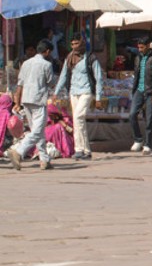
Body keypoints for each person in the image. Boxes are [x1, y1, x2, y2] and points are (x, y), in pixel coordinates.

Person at [8, 38, 57, 171]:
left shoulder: (26, 63)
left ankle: (44, 159)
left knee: (38, 130)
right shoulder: (46, 65)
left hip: (26, 100)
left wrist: (18, 102)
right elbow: (51, 82)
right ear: (47, 52)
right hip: (38, 100)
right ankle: (19, 151)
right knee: (37, 130)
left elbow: (20, 84)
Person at [54, 34, 104, 161]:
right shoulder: (69, 58)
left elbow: (98, 78)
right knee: (78, 121)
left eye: (77, 44)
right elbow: (63, 76)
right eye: (72, 44)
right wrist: (56, 92)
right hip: (73, 91)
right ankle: (86, 151)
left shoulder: (91, 58)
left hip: (86, 91)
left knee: (78, 117)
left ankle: (79, 149)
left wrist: (98, 97)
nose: (74, 47)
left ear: (82, 44)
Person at [129, 35, 152, 152]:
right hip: (139, 90)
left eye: (142, 47)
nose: (140, 50)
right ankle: (138, 139)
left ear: (148, 46)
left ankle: (147, 143)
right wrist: (134, 90)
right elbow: (137, 75)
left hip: (151, 91)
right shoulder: (138, 58)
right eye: (138, 47)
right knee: (132, 115)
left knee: (149, 118)